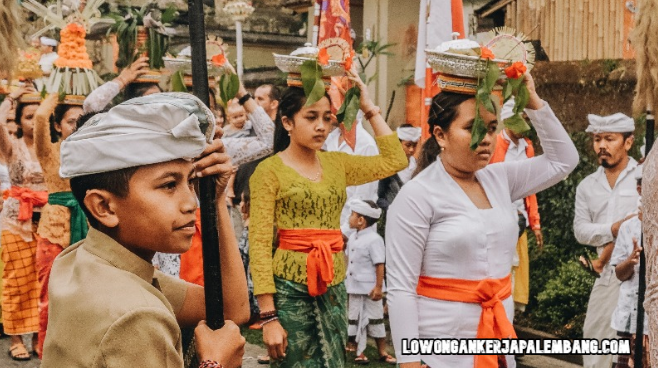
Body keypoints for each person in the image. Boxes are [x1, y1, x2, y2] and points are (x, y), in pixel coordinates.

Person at [41, 92, 250, 367]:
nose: (191, 202)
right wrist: (215, 363)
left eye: (190, 181)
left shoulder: (84, 259)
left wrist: (216, 200)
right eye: (168, 185)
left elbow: (229, 308)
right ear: (103, 207)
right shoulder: (136, 315)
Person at [386, 72, 579, 368]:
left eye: (491, 128)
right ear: (440, 135)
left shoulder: (500, 179)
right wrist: (410, 361)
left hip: (497, 338)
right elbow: (401, 287)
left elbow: (563, 160)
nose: (486, 139)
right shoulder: (416, 196)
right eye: (472, 128)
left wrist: (531, 99)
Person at [249, 67, 407, 368]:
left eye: (326, 117)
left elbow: (395, 159)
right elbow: (259, 245)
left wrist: (368, 107)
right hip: (289, 287)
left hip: (333, 282)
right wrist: (268, 315)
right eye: (311, 117)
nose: (321, 126)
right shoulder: (268, 172)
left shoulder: (337, 164)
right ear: (287, 122)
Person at [574, 113, 639, 368]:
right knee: (596, 340)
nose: (602, 145)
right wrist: (613, 229)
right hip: (608, 275)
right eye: (597, 139)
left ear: (628, 142)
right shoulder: (587, 186)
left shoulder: (645, 175)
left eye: (610, 139)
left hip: (642, 273)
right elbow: (580, 231)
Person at [33, 94, 87, 358]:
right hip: (53, 232)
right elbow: (41, 117)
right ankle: (47, 355)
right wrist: (58, 90)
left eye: (81, 121)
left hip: (89, 231)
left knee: (86, 298)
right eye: (70, 121)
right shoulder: (48, 150)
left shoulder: (93, 154)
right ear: (58, 126)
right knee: (49, 298)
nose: (76, 127)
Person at [0, 85, 47, 361]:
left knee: (46, 282)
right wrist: (12, 98)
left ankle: (42, 337)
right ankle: (16, 338)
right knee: (17, 281)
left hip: (50, 221)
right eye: (28, 116)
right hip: (16, 221)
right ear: (18, 121)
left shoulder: (52, 144)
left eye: (38, 116)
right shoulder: (11, 145)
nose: (34, 121)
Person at [489, 98, 544, 313]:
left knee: (515, 271)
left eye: (528, 118)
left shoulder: (527, 147)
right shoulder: (494, 143)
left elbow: (531, 188)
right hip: (496, 217)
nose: (526, 124)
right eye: (523, 118)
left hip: (519, 218)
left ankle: (507, 318)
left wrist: (535, 222)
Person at [344, 199, 396, 365]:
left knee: (375, 318)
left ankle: (382, 351)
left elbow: (379, 263)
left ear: (361, 220)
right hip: (354, 287)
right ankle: (359, 350)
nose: (349, 218)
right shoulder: (353, 237)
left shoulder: (374, 239)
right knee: (355, 317)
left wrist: (378, 287)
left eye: (352, 215)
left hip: (370, 289)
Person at [610, 165, 649, 368]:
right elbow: (619, 273)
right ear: (640, 190)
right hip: (628, 317)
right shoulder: (629, 227)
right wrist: (630, 261)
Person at [324, 112, 380, 238]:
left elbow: (364, 197)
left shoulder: (366, 145)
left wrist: (344, 232)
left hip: (354, 234)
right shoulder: (331, 138)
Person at [82, 56, 159, 113]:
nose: (159, 103)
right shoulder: (122, 122)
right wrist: (121, 80)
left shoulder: (168, 122)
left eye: (160, 97)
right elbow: (91, 105)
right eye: (150, 98)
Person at [377, 124, 420, 211]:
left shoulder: (418, 166)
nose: (411, 149)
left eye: (414, 145)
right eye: (408, 145)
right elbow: (380, 198)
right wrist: (391, 208)